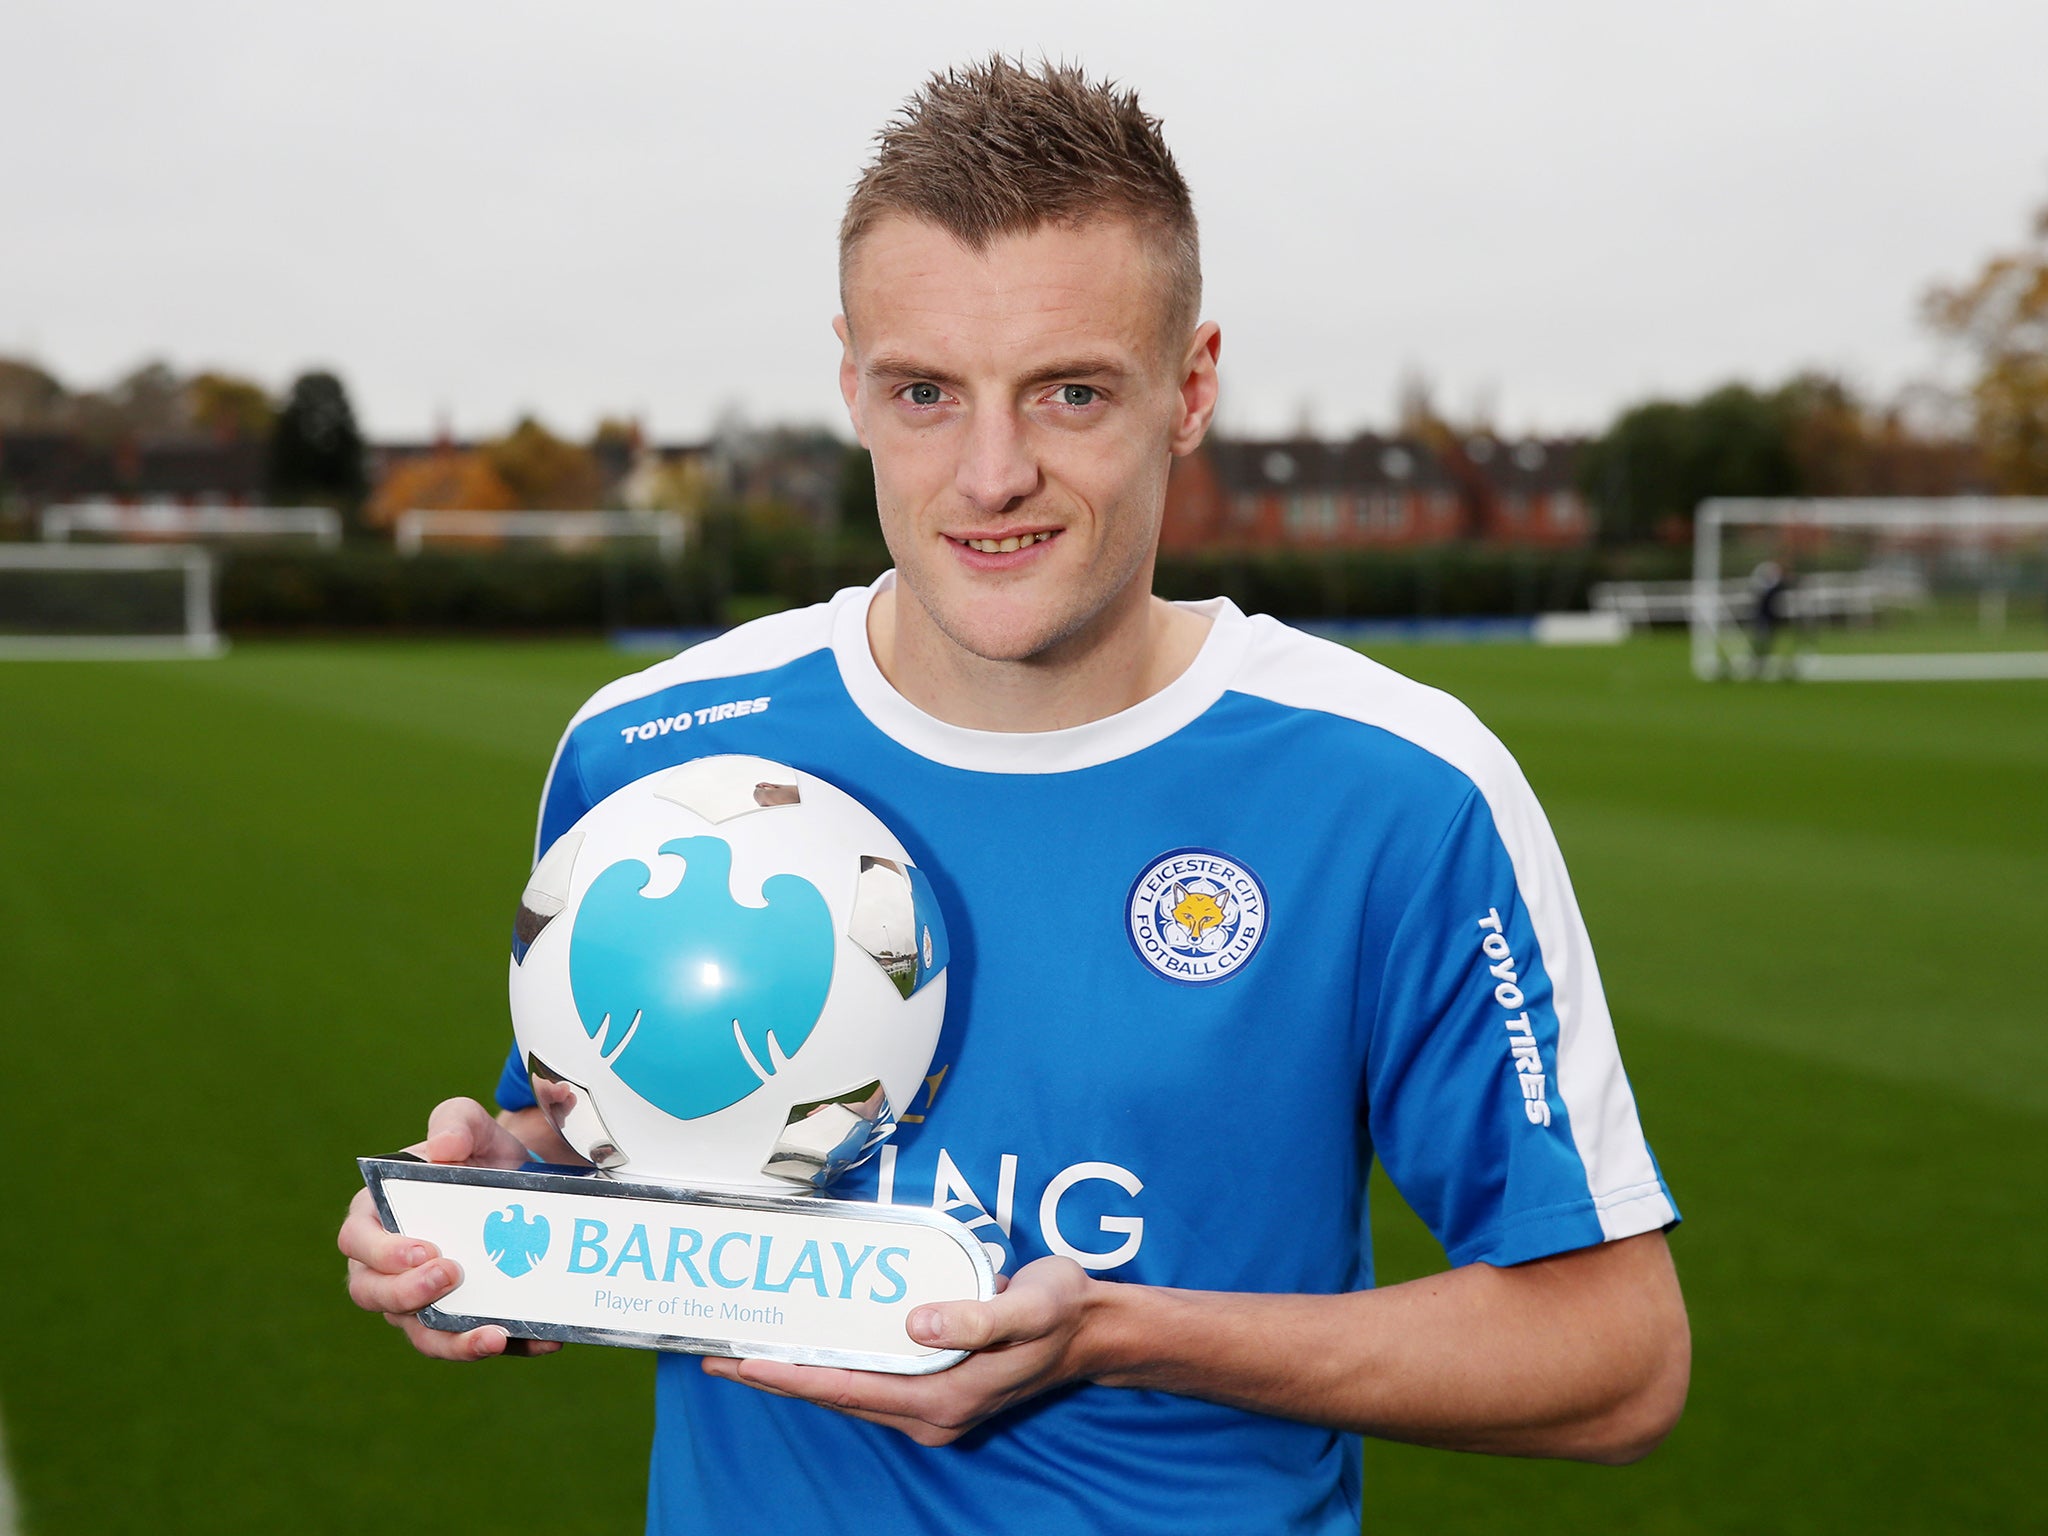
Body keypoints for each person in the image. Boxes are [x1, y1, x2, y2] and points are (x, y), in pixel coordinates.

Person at [339, 57, 1688, 1535]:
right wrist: (487, 1214)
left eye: (1069, 392)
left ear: (1191, 388)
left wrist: (1121, 1333)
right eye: (926, 392)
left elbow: (1617, 1362)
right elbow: (618, 1149)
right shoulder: (655, 748)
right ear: (850, 378)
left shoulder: (1395, 790)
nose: (990, 474)